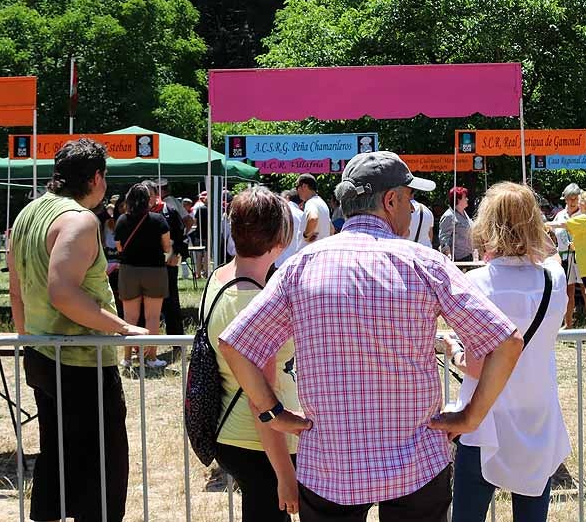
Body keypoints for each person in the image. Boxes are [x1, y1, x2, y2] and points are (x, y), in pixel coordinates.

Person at [218, 151, 523, 522]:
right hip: (417, 463)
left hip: (330, 466)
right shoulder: (424, 263)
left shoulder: (301, 267)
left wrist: (272, 412)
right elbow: (506, 342)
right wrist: (471, 418)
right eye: (410, 199)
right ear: (390, 200)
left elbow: (235, 344)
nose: (413, 211)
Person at [8, 139, 148, 522]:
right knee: (103, 468)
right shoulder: (79, 219)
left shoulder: (27, 214)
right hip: (81, 362)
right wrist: (122, 328)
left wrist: (27, 342)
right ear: (97, 177)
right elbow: (63, 293)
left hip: (40, 352)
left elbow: (16, 290)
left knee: (55, 457)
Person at [445, 182, 570, 522]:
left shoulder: (476, 284)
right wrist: (537, 234)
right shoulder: (553, 281)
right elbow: (550, 253)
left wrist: (451, 351)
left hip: (485, 418)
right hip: (537, 415)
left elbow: (475, 366)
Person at [207, 187, 300, 520]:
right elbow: (261, 398)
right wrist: (286, 477)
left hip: (234, 433)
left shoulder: (219, 279)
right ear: (280, 239)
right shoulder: (254, 301)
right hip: (261, 444)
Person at [114, 182, 172, 368]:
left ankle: (127, 358)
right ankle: (151, 358)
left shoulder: (122, 220)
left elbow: (119, 247)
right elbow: (167, 247)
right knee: (152, 317)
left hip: (129, 270)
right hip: (154, 270)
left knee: (129, 317)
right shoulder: (158, 220)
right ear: (148, 200)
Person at [548, 191, 586, 329]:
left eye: (580, 201)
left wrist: (546, 224)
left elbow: (564, 224)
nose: (578, 204)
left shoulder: (584, 218)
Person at [147, 181, 189, 343]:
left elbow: (180, 236)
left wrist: (178, 256)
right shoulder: (137, 213)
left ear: (155, 195)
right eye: (145, 196)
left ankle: (177, 341)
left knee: (171, 303)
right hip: (146, 267)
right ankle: (145, 344)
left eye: (150, 195)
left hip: (168, 265)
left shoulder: (168, 210)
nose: (148, 199)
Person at [548, 183, 586, 327]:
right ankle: (567, 323)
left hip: (581, 256)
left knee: (585, 291)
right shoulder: (559, 215)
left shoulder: (583, 214)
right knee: (567, 292)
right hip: (564, 257)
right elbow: (553, 233)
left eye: (574, 198)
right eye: (568, 198)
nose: (571, 202)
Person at [295, 174, 332, 245]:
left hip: (310, 252)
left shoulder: (311, 203)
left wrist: (306, 235)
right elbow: (331, 229)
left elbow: (313, 218)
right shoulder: (322, 203)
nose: (297, 191)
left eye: (297, 187)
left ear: (304, 186)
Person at [439, 186, 473, 261]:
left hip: (469, 255)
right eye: (465, 197)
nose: (467, 199)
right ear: (458, 199)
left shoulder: (464, 213)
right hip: (458, 258)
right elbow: (444, 238)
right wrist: (448, 254)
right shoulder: (449, 216)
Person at [275, 190, 305, 270]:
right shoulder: (302, 215)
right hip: (297, 260)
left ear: (287, 198)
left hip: (280, 260)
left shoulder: (279, 213)